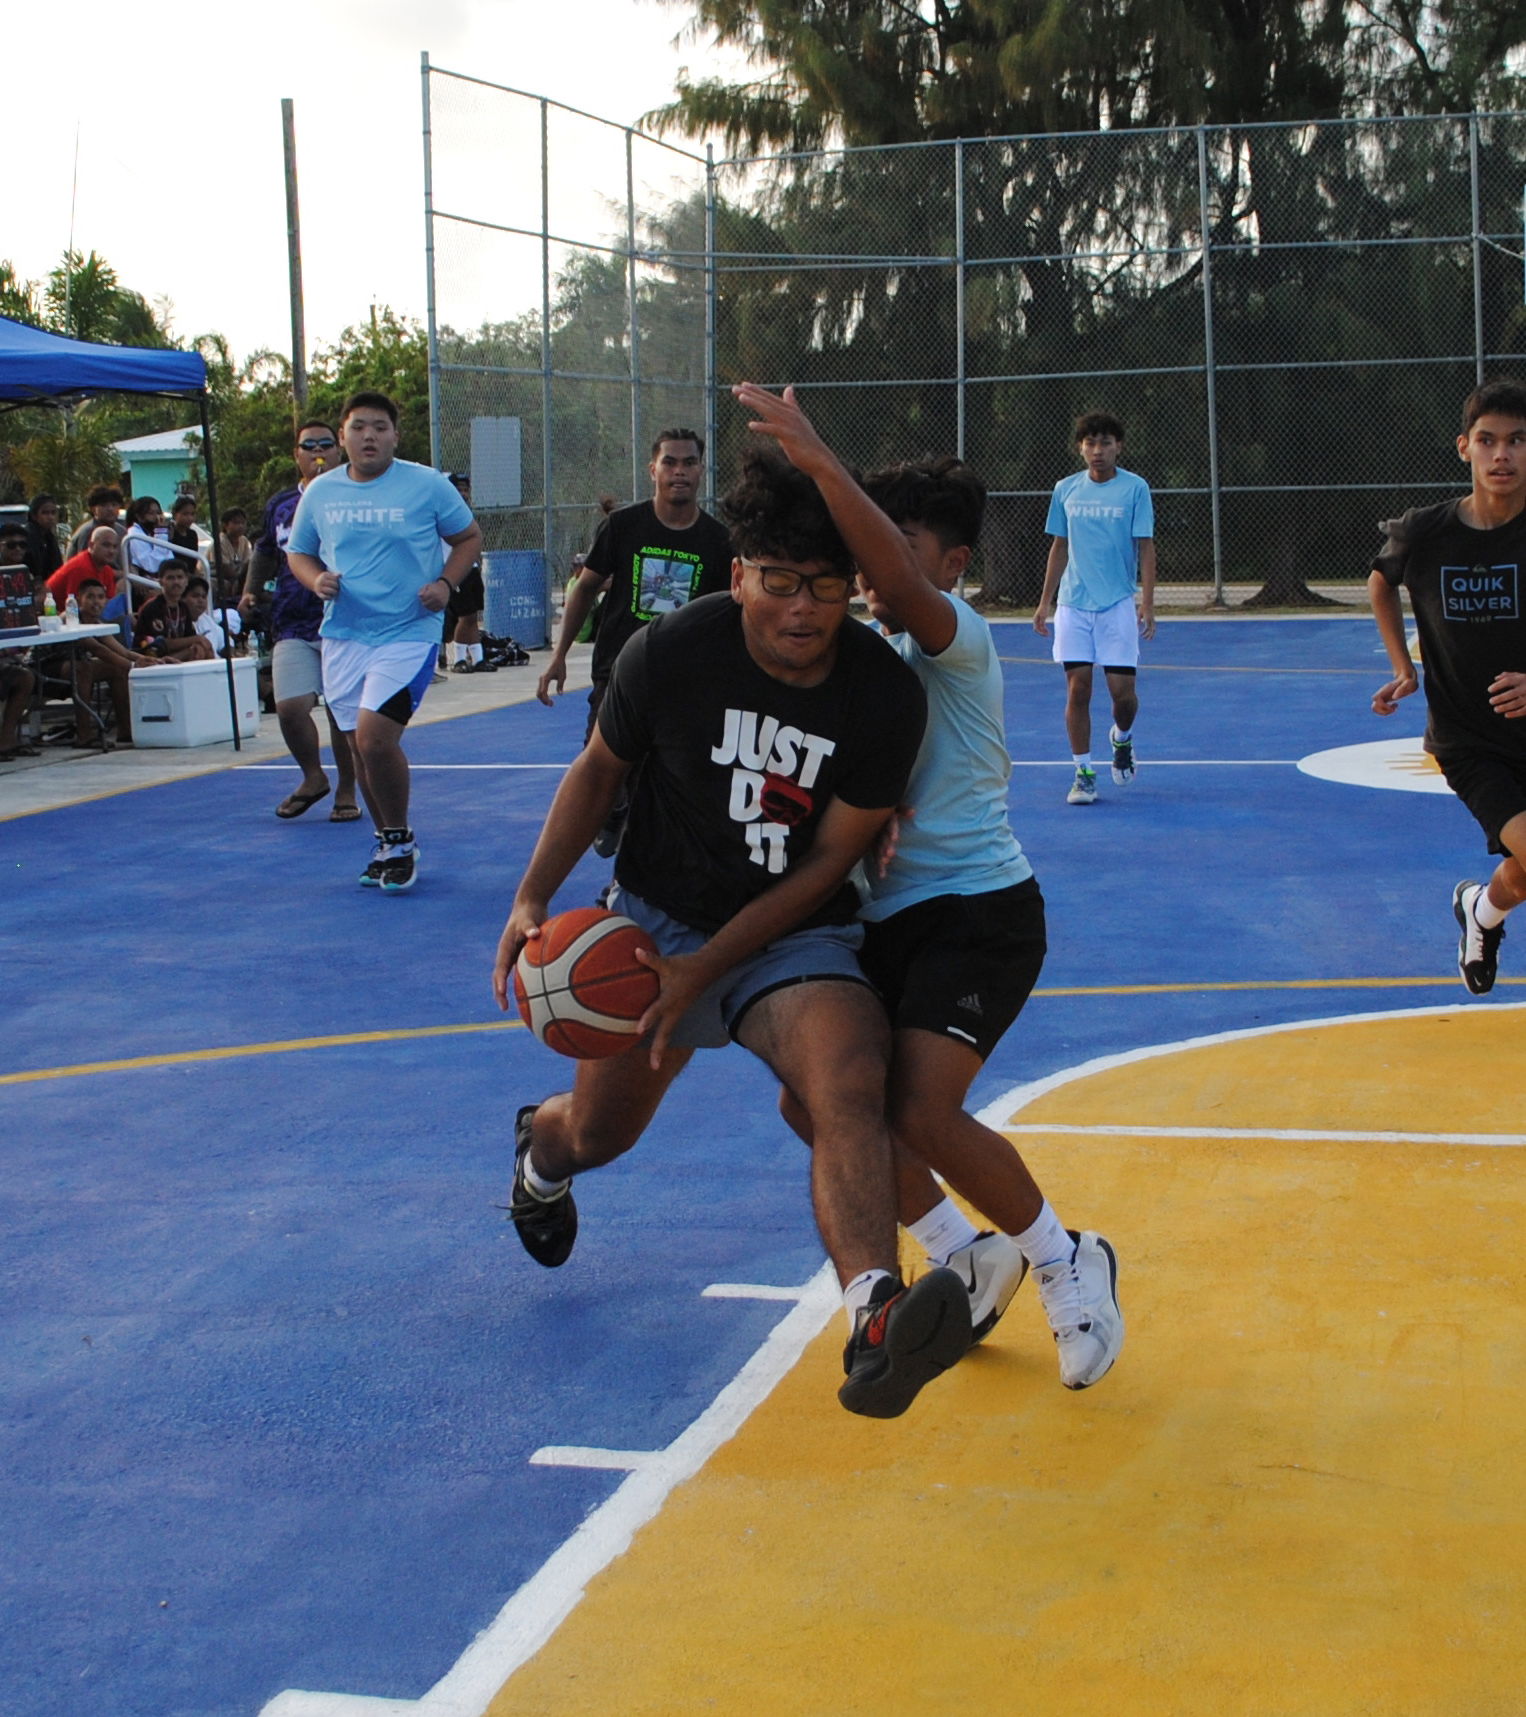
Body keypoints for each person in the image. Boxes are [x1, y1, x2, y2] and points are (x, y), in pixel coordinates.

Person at [492, 439, 980, 1422]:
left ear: (851, 588)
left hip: (790, 934)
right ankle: (538, 1156)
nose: (799, 609)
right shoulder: (670, 651)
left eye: (824, 586)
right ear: (735, 574)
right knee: (598, 1132)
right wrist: (532, 895)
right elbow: (596, 772)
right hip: (652, 925)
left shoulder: (881, 694)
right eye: (776, 582)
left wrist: (708, 970)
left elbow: (825, 867)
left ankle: (873, 1314)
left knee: (848, 1078)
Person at [739, 386, 1124, 1390]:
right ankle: (961, 1246)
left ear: (949, 562)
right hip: (880, 923)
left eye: (892, 542)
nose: (869, 563)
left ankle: (1062, 1259)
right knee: (810, 1102)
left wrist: (822, 461)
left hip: (976, 910)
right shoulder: (862, 665)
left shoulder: (956, 635)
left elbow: (895, 595)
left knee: (917, 1105)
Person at [286, 391, 482, 889]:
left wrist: (445, 584)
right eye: (358, 428)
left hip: (407, 632)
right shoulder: (321, 493)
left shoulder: (428, 485)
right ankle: (390, 841)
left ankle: (399, 837)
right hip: (344, 636)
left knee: (376, 739)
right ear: (343, 437)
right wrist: (315, 581)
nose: (368, 436)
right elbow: (299, 553)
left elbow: (469, 538)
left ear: (396, 435)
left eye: (379, 427)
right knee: (357, 748)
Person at [1370, 376, 1526, 994]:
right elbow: (1382, 579)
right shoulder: (1427, 532)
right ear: (1464, 448)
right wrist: (1402, 666)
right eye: (1487, 441)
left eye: (1517, 441)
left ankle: (1480, 913)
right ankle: (1482, 914)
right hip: (1470, 743)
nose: (1502, 455)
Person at [536, 430, 733, 858]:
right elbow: (584, 590)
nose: (679, 471)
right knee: (601, 767)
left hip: (684, 682)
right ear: (653, 469)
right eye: (670, 462)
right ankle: (612, 811)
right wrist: (560, 656)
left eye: (689, 462)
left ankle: (629, 878)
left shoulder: (718, 541)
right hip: (620, 673)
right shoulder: (623, 527)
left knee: (665, 785)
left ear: (701, 470)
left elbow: (727, 616)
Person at [1034, 410, 1157, 805]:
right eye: (1090, 443)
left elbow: (1146, 547)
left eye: (1105, 443)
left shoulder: (1135, 489)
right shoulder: (1065, 489)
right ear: (1080, 448)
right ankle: (1084, 772)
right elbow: (1059, 546)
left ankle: (1121, 739)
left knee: (1123, 695)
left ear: (1118, 446)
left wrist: (1148, 604)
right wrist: (1044, 603)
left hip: (1117, 605)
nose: (1097, 450)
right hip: (1073, 605)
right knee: (1078, 689)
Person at [241, 421, 360, 822]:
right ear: (297, 454)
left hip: (345, 619)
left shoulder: (354, 496)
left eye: (326, 444)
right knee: (291, 706)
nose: (318, 452)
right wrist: (250, 590)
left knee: (340, 712)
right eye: (308, 446)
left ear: (339, 450)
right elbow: (264, 550)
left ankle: (347, 788)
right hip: (292, 619)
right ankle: (313, 777)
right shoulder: (281, 504)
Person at [69, 576, 162, 746]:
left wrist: (149, 660)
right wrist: (133, 666)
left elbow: (122, 651)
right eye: (90, 597)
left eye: (100, 597)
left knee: (118, 669)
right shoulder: (70, 618)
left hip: (77, 667)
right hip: (48, 665)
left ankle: (125, 731)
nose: (96, 601)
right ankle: (84, 735)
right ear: (78, 599)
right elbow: (99, 649)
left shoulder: (98, 623)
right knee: (83, 669)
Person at [133, 560, 214, 661]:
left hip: (173, 656)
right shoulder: (153, 607)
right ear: (161, 581)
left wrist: (198, 643)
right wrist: (197, 639)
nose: (176, 582)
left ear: (186, 581)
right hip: (150, 658)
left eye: (180, 577)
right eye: (170, 578)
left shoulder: (183, 608)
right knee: (194, 650)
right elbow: (162, 643)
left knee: (202, 650)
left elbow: (189, 637)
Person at [48, 525, 121, 606]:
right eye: (106, 545)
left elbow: (110, 604)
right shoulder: (80, 567)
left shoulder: (107, 571)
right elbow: (75, 606)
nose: (111, 551)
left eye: (115, 547)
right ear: (91, 545)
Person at [120, 495, 178, 595]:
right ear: (139, 517)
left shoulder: (152, 534)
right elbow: (152, 565)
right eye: (151, 514)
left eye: (158, 513)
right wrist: (161, 533)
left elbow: (169, 559)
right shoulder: (134, 534)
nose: (157, 518)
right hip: (148, 584)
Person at [65, 485, 126, 557]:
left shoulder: (122, 531)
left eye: (114, 505)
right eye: (104, 505)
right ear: (93, 509)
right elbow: (83, 563)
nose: (110, 509)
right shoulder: (88, 532)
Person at [217, 509, 253, 612]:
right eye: (236, 523)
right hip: (219, 577)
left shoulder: (244, 541)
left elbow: (248, 563)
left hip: (238, 576)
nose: (240, 526)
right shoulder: (220, 541)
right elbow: (225, 569)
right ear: (225, 525)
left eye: (243, 523)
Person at [23, 495, 64, 581]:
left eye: (53, 513)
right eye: (45, 513)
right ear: (34, 515)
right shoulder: (28, 536)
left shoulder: (49, 537)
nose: (50, 517)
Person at [167, 496, 201, 566]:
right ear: (175, 514)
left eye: (192, 514)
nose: (189, 518)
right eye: (185, 514)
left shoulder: (192, 534)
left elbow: (194, 560)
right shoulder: (169, 533)